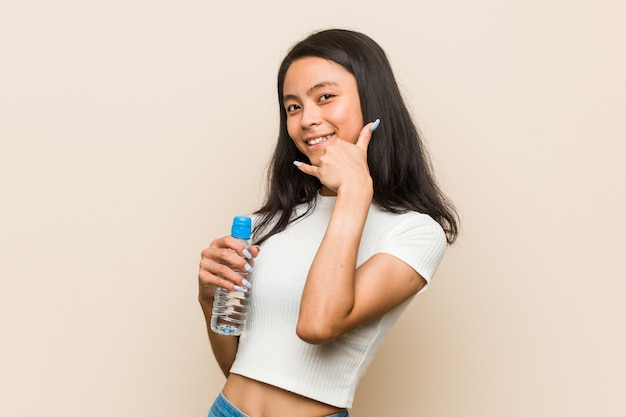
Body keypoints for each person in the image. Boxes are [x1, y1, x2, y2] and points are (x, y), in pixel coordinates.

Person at [197, 28, 459, 417]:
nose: (307, 120)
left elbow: (317, 325)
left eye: (325, 97)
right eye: (293, 107)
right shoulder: (267, 222)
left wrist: (354, 191)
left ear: (372, 101)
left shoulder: (414, 232)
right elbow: (240, 367)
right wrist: (209, 297)